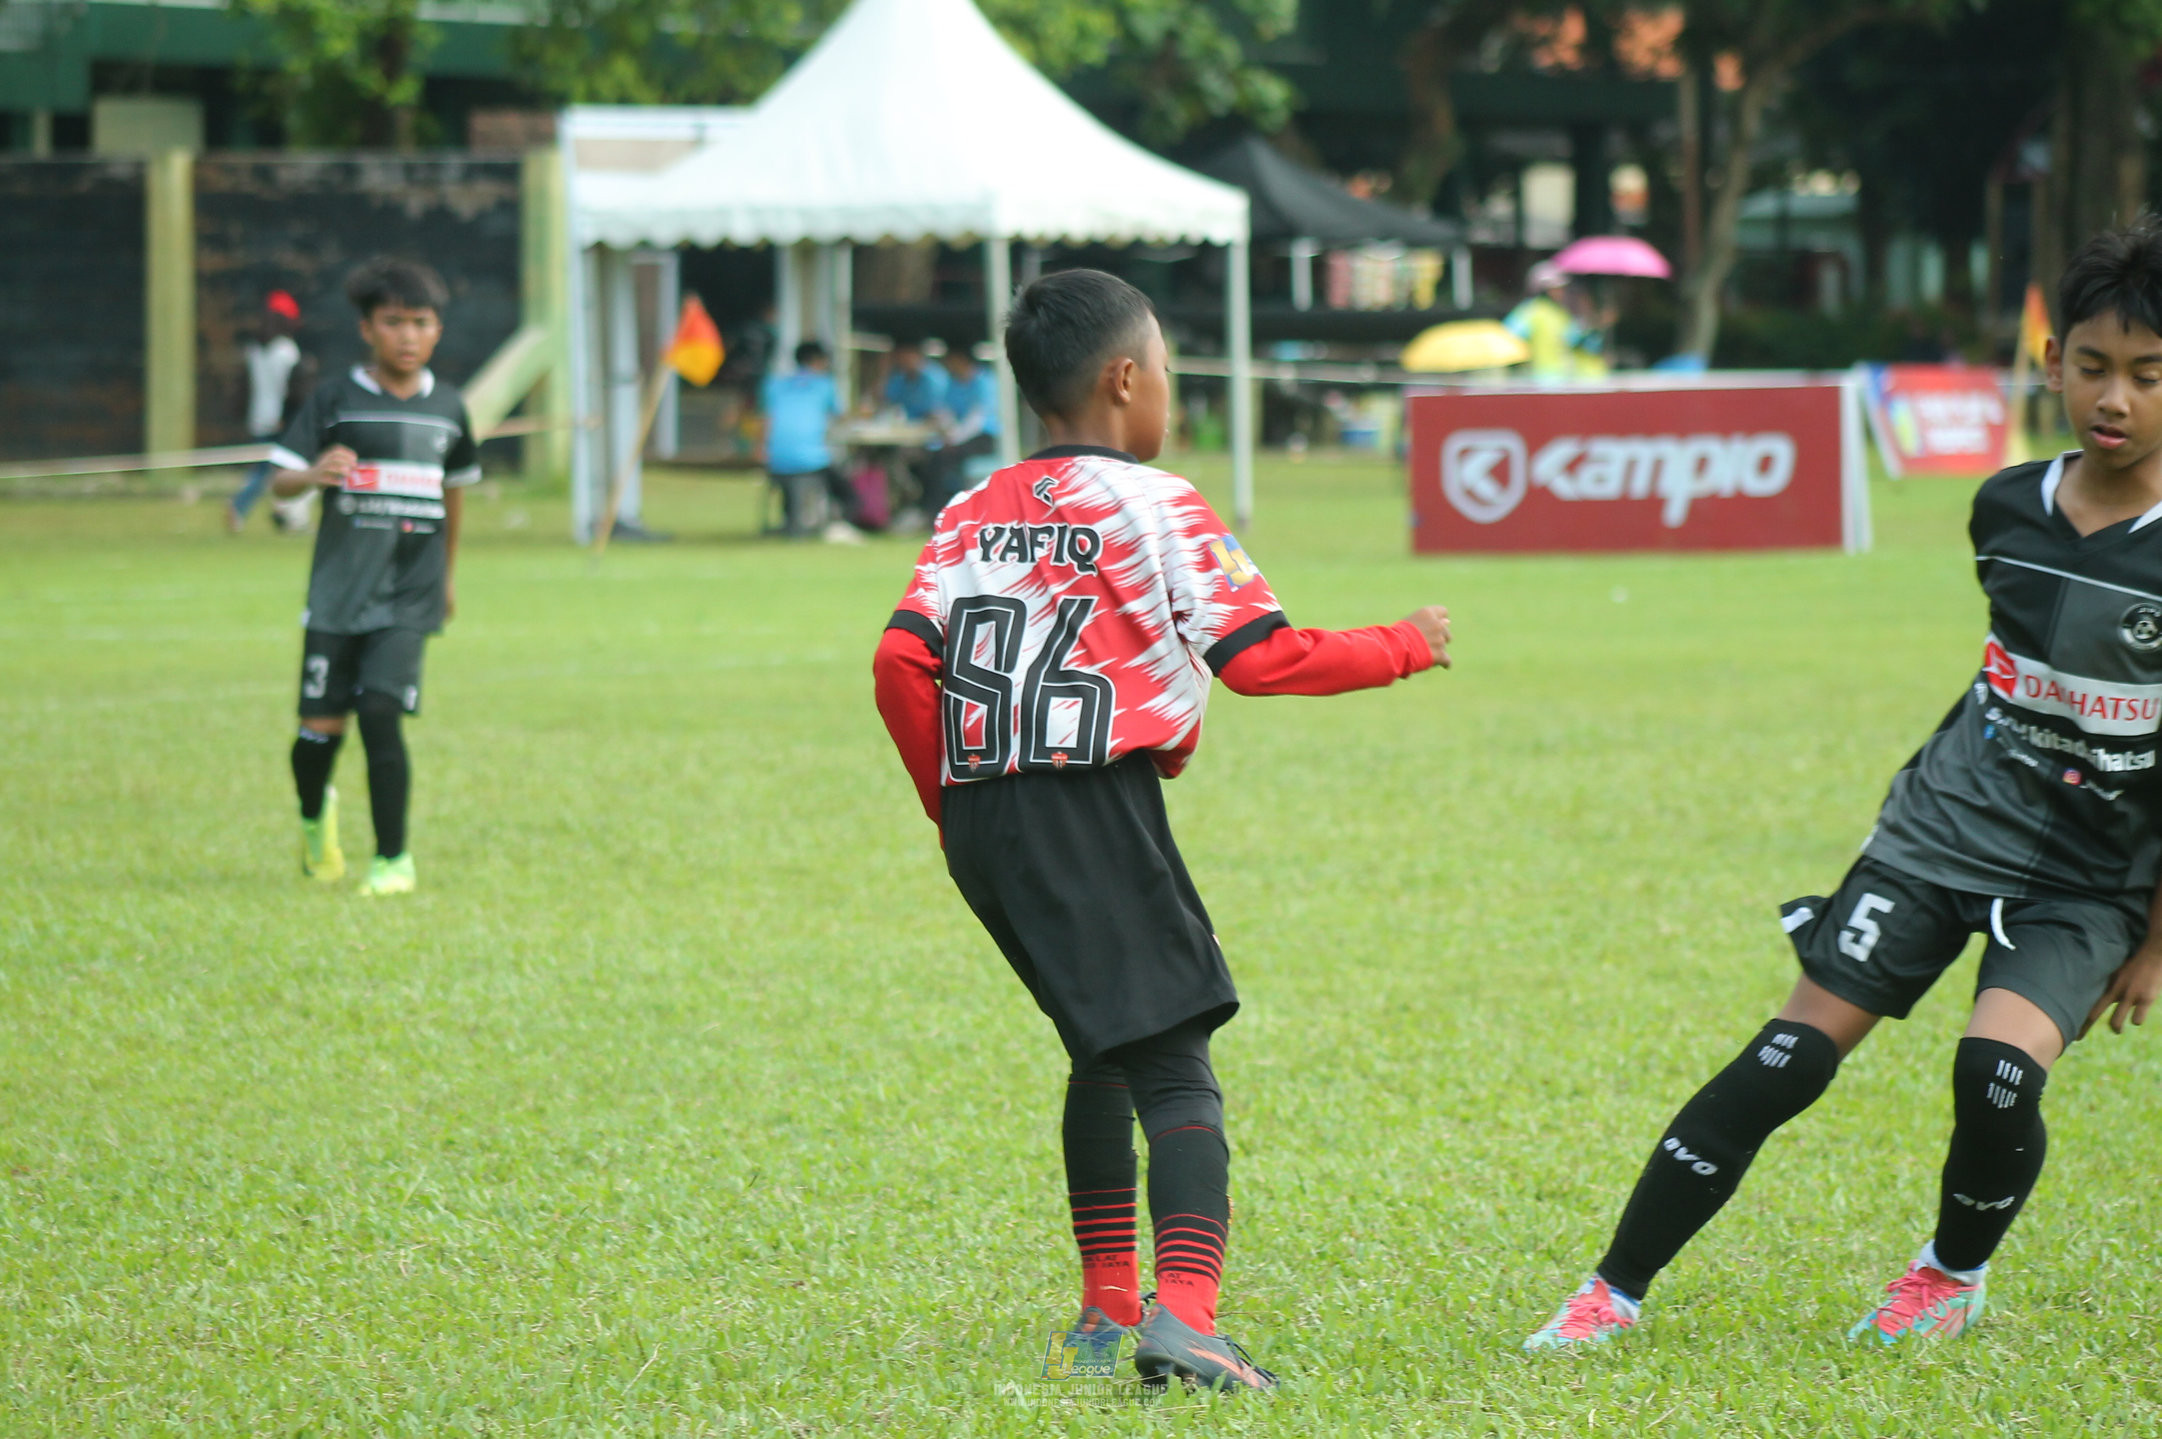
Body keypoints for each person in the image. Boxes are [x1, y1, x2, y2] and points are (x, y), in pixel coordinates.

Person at [1525, 219, 2162, 1352]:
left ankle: (1946, 1272)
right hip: (1942, 828)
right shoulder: (2004, 508)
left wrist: (2153, 935)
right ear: (2052, 357)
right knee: (1785, 1056)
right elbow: (2005, 670)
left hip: (2088, 873)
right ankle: (1609, 1289)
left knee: (1995, 1076)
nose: (2111, 398)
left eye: (2147, 376)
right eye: (2090, 366)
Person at [872, 269, 1452, 1392]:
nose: (1171, 398)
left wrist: (954, 809)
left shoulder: (969, 505)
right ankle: (1183, 1315)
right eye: (1169, 375)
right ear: (1125, 378)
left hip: (986, 809)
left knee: (1103, 1040)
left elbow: (901, 658)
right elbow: (1263, 657)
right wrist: (1405, 641)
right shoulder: (1154, 500)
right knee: (1176, 1061)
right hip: (1086, 801)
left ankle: (1103, 1307)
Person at [267, 257, 480, 899]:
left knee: (382, 715)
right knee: (316, 738)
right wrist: (310, 475)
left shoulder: (449, 408)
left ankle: (393, 860)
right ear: (367, 328)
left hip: (408, 596)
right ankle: (315, 819)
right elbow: (277, 480)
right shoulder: (334, 400)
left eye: (421, 323)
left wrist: (446, 578)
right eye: (394, 323)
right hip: (337, 596)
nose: (408, 336)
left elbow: (454, 495)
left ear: (438, 330)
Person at [227, 290, 311, 533]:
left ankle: (281, 512)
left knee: (268, 469)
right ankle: (241, 506)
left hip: (258, 418)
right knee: (277, 470)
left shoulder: (254, 350)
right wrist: (286, 418)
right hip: (279, 420)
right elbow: (290, 389)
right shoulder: (286, 350)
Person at [759, 340, 851, 540]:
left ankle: (791, 521)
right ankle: (844, 522)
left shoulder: (775, 384)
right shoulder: (825, 385)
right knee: (845, 488)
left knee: (798, 472)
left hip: (775, 459)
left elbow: (765, 421)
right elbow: (841, 416)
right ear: (819, 361)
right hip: (811, 461)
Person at [922, 340, 1000, 514]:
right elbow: (947, 411)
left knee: (945, 459)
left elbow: (977, 419)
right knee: (933, 456)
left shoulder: (984, 381)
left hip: (985, 437)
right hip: (959, 437)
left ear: (961, 360)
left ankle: (942, 510)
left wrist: (954, 439)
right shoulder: (953, 383)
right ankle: (934, 509)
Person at [1504, 262, 1582, 384]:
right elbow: (1508, 338)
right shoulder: (1529, 311)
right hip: (1537, 379)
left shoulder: (1561, 312)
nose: (1561, 291)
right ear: (1543, 289)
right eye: (1556, 288)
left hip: (1564, 378)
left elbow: (1574, 339)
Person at [881, 338, 948, 420]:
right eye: (898, 356)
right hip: (903, 428)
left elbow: (933, 413)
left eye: (904, 355)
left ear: (917, 354)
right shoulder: (900, 377)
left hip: (928, 429)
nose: (901, 360)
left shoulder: (934, 378)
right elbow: (884, 401)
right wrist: (884, 371)